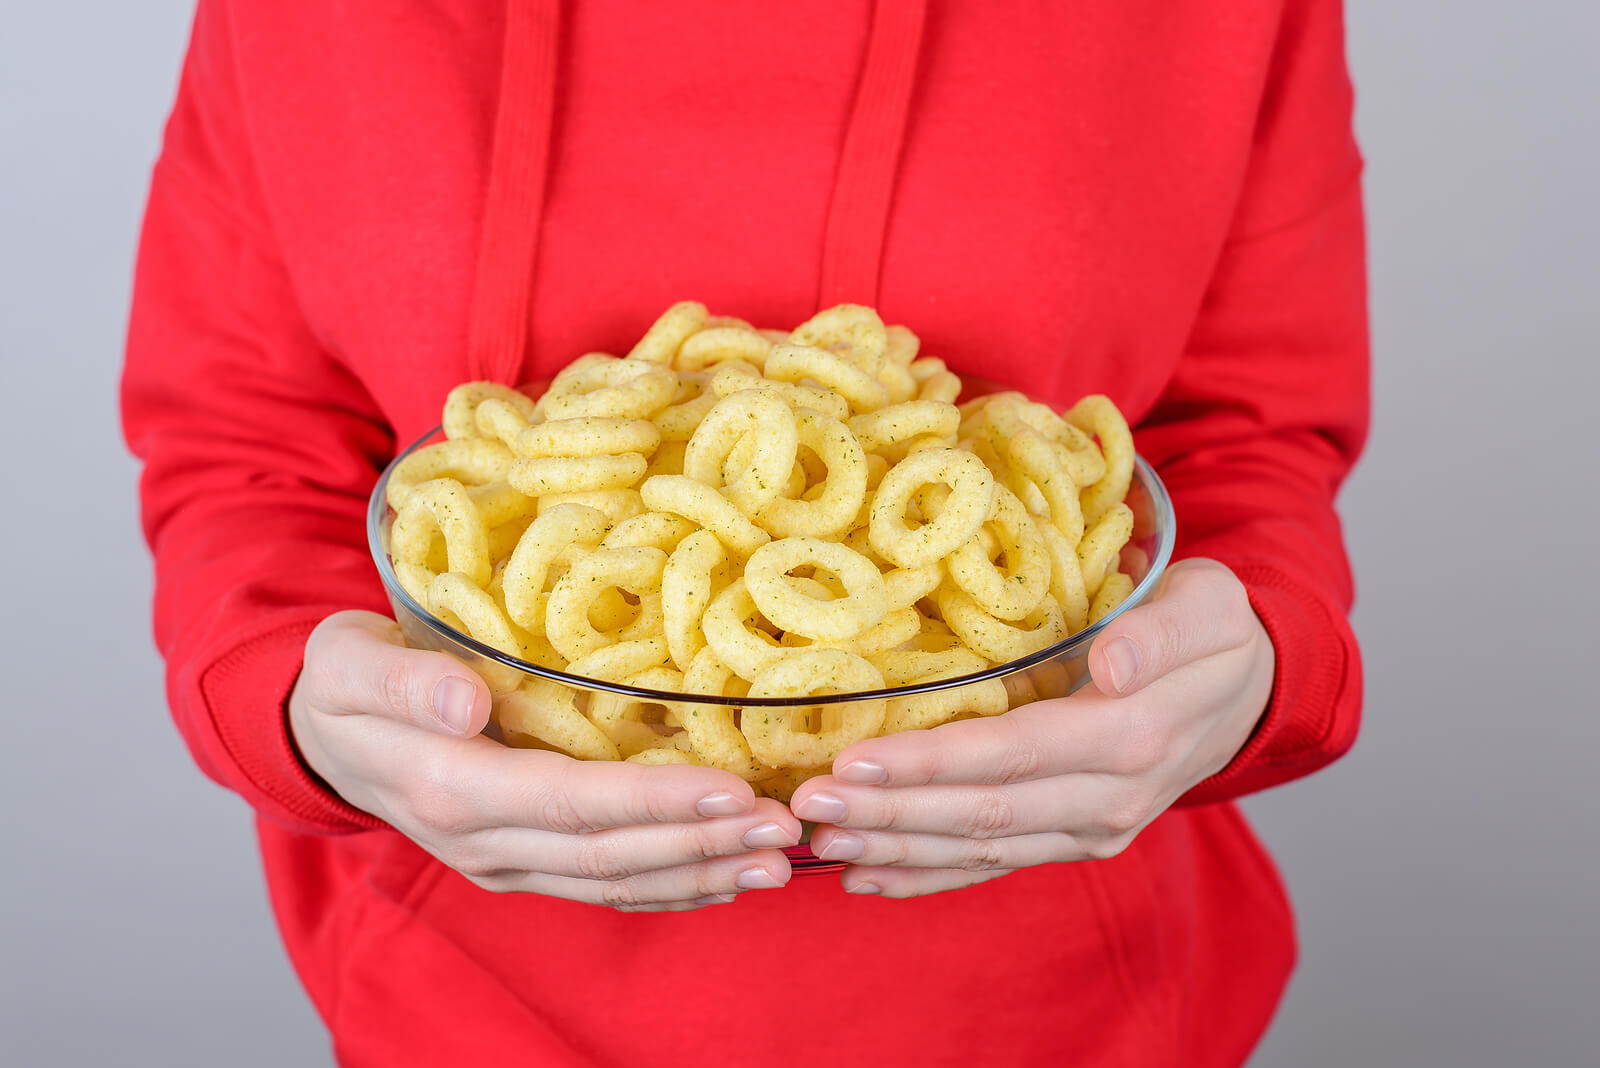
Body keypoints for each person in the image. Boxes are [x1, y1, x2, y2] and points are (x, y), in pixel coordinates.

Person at [122, 1, 1367, 1064]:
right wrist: (295, 700)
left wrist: (1255, 660)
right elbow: (246, 438)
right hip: (456, 991)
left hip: (1070, 995)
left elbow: (1246, 440)